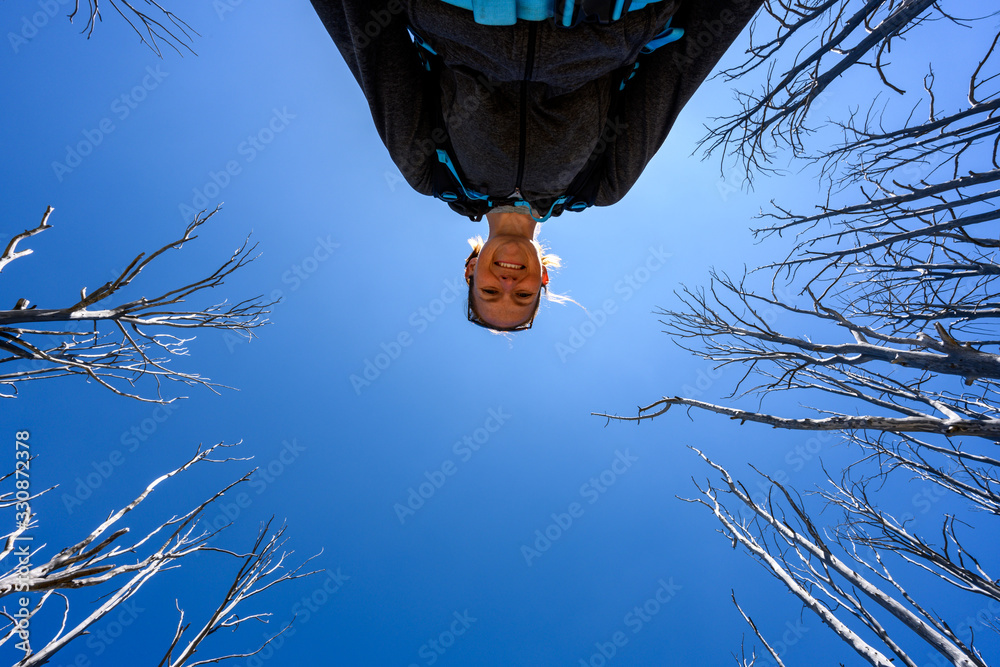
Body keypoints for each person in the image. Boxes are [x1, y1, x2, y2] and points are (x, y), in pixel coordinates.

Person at [310, 0, 763, 330]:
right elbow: (675, 72)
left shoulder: (433, 172)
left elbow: (373, 50)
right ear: (543, 277)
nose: (509, 283)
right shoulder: (598, 183)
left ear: (471, 269)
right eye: (524, 295)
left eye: (490, 291)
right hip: (603, 18)